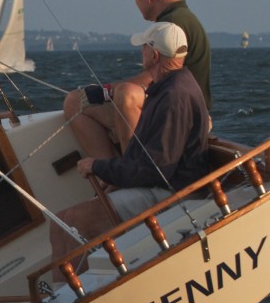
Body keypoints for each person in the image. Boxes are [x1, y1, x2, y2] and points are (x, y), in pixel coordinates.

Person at [50, 22, 210, 280]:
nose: (141, 54)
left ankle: (67, 302)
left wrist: (98, 167)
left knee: (69, 223)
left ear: (154, 55)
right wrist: (112, 175)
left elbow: (156, 169)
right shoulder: (171, 87)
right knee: (62, 222)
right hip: (162, 183)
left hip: (171, 194)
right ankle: (68, 294)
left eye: (144, 49)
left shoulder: (173, 97)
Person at [63, 0, 212, 159]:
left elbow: (155, 76)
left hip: (173, 115)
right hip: (191, 112)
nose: (135, 1)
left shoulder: (170, 27)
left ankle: (115, 175)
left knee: (74, 102)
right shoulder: (184, 18)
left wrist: (106, 91)